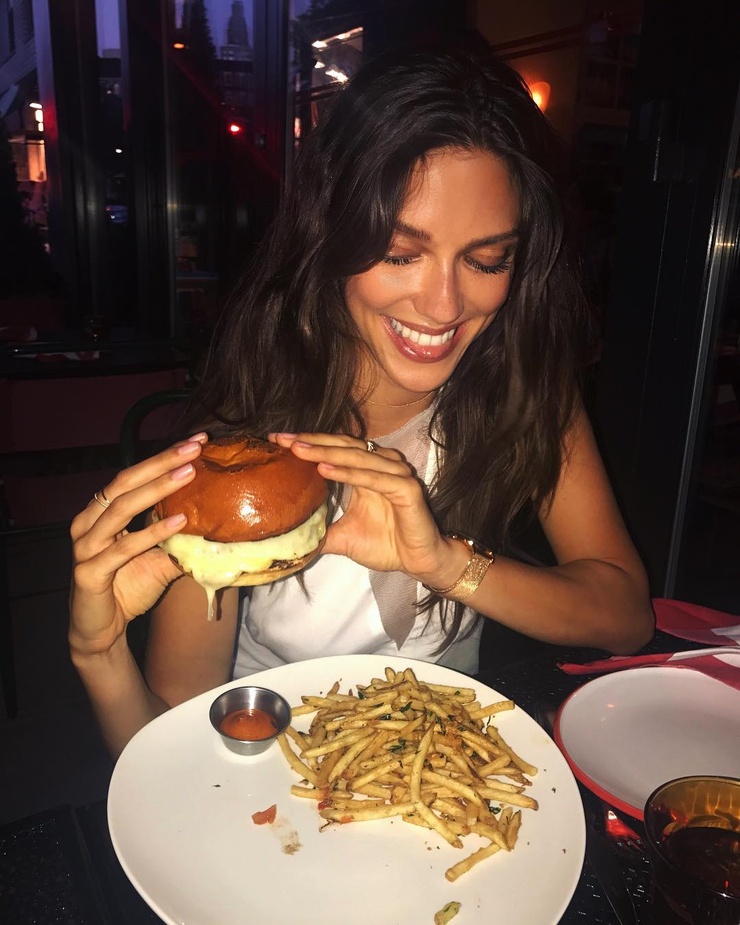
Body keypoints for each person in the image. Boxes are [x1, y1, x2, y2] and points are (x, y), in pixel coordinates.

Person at [69, 41, 654, 756]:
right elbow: (175, 748)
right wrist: (98, 653)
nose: (444, 306)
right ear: (331, 234)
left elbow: (626, 616)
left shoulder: (525, 388)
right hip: (276, 767)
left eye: (487, 259)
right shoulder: (245, 436)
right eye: (401, 253)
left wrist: (446, 564)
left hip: (442, 765)